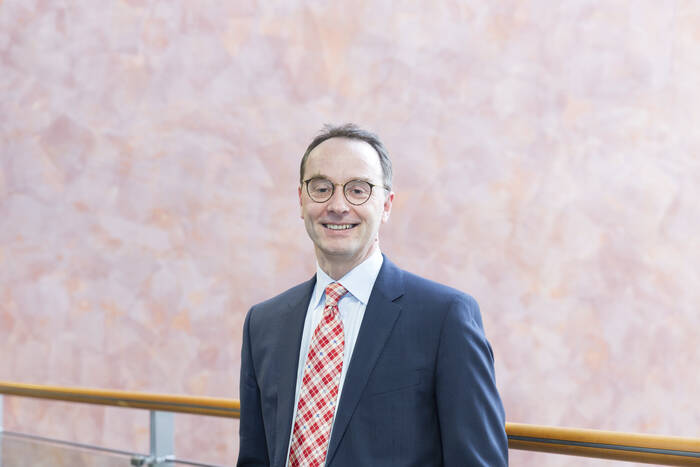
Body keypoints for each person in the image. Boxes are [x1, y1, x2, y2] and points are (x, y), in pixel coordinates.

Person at [237, 124, 508, 466]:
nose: (338, 205)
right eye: (321, 188)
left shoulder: (444, 318)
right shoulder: (264, 323)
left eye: (358, 190)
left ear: (386, 205)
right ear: (301, 200)